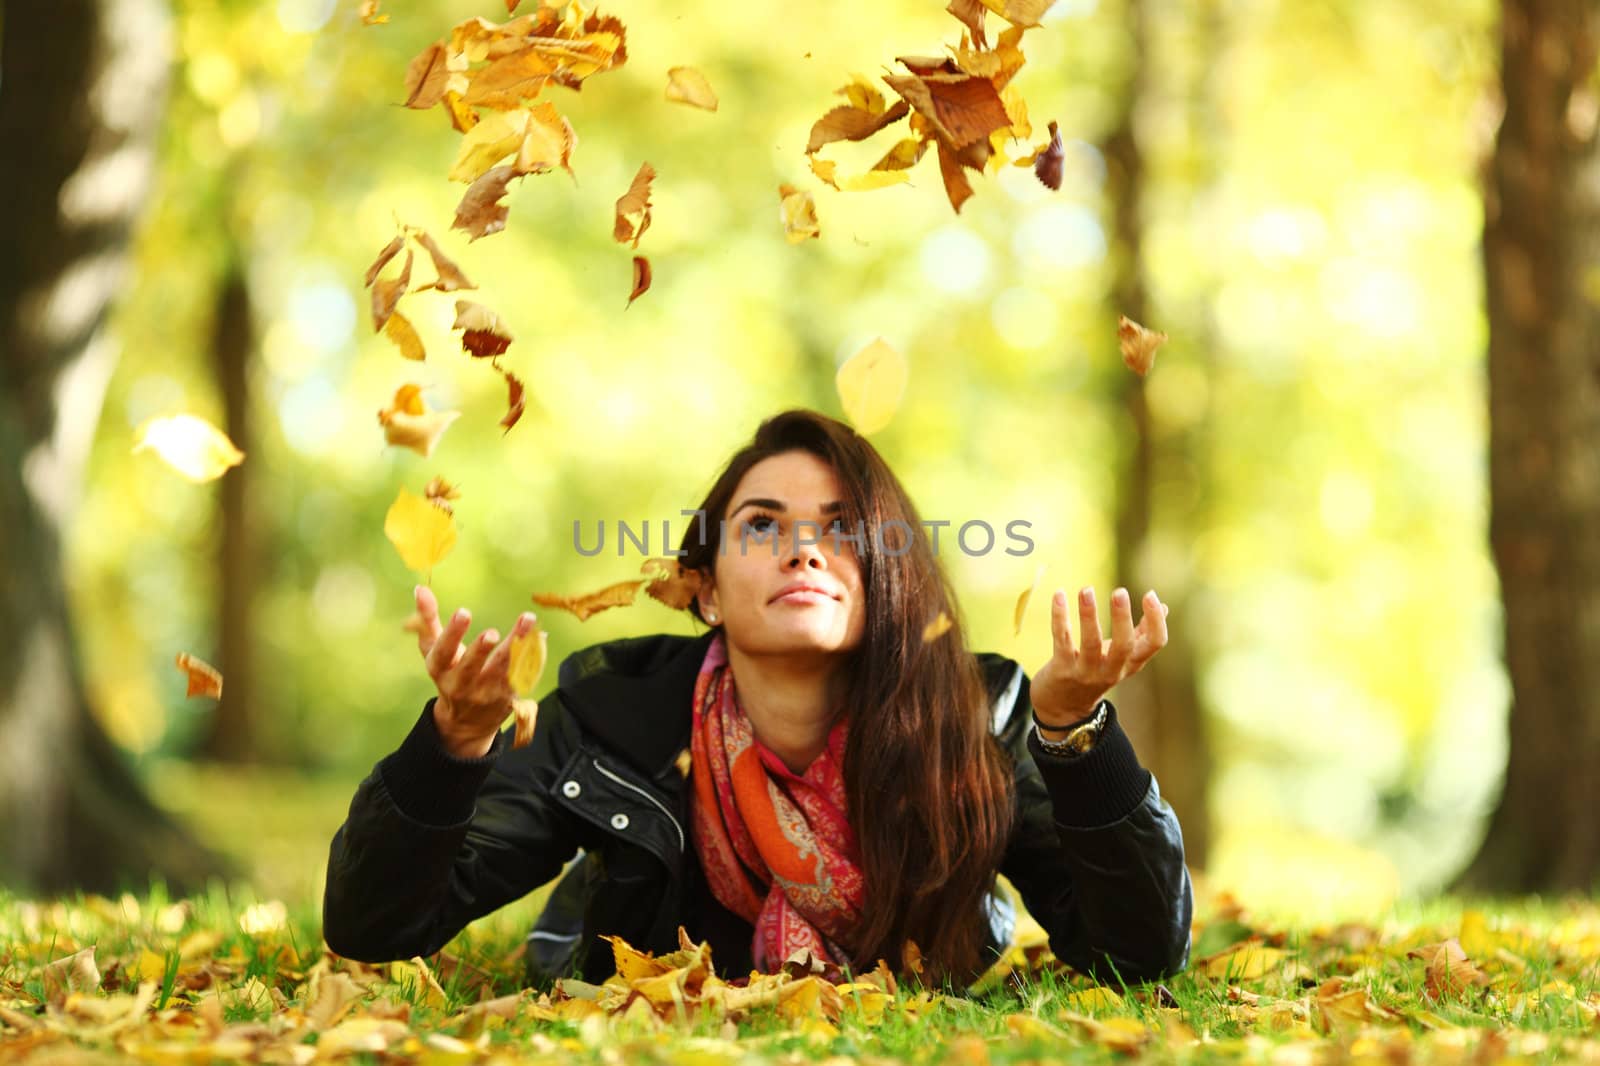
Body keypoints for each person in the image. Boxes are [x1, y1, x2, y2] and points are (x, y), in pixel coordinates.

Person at [323, 408, 1193, 992]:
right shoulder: (612, 716)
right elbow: (374, 926)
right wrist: (452, 746)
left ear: (886, 577)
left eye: (843, 527)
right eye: (763, 525)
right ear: (704, 590)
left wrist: (1074, 732)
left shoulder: (980, 714)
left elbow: (1140, 954)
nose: (804, 551)